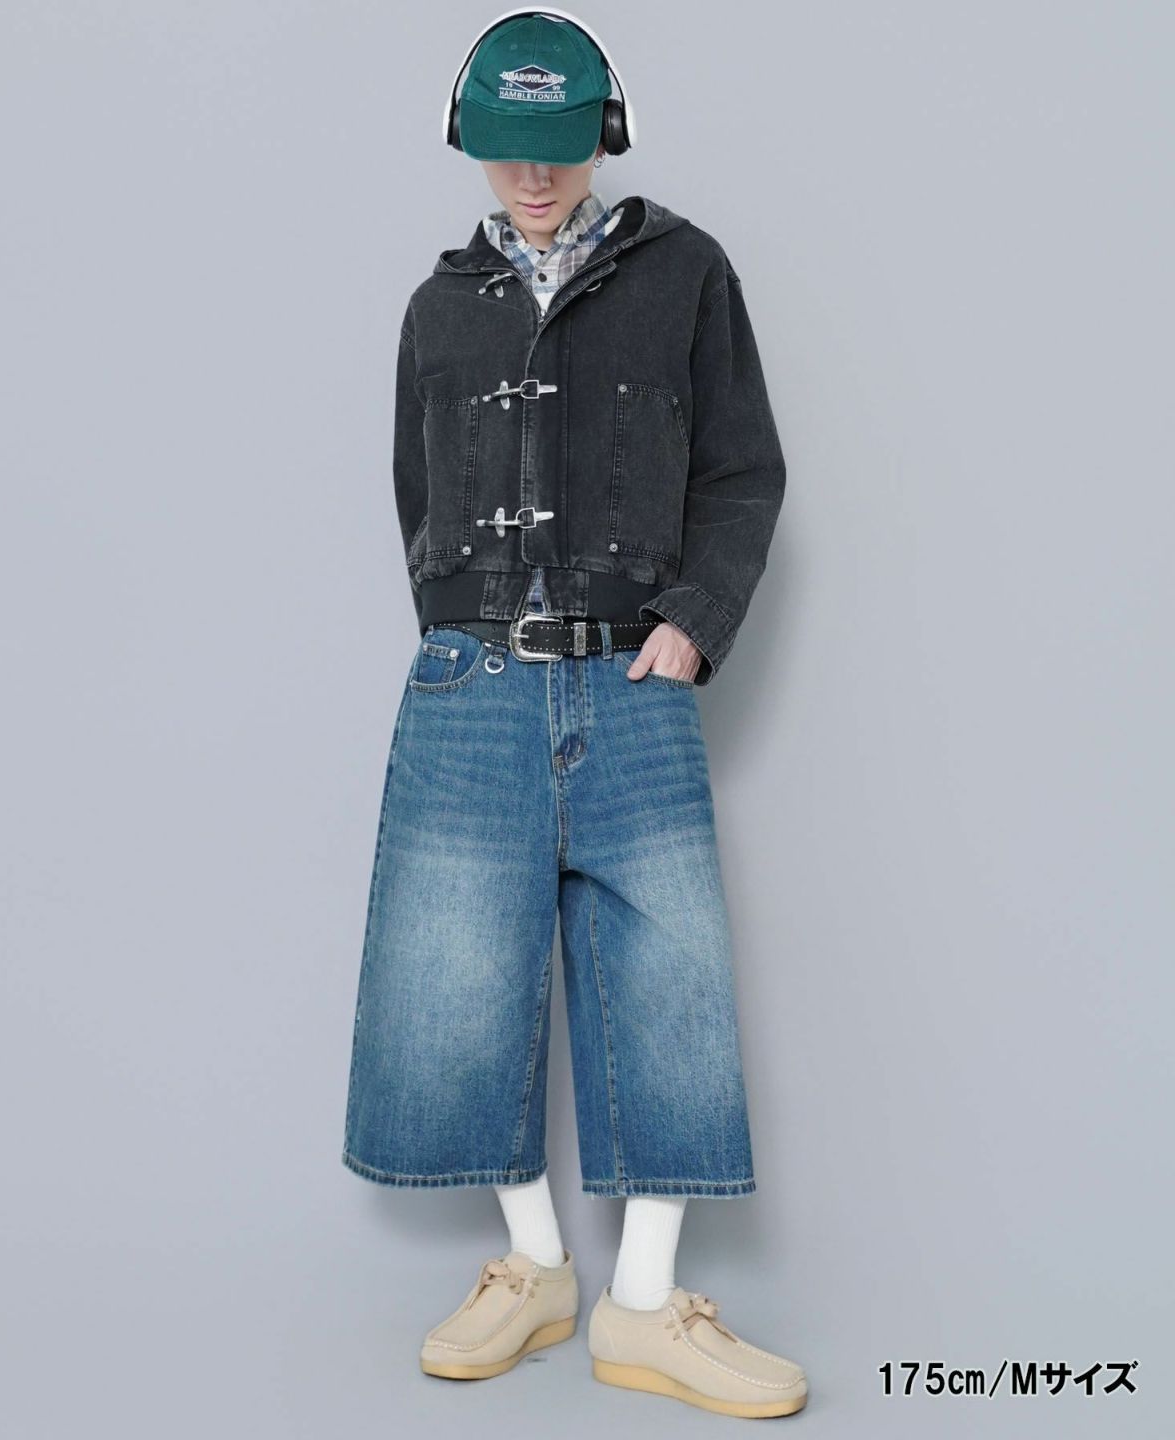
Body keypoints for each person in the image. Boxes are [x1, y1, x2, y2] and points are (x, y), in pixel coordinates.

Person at [341, 8, 808, 1420]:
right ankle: (536, 1267)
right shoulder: (438, 307)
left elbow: (743, 470)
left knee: (670, 983)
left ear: (605, 134)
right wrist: (462, 636)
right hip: (474, 681)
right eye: (505, 150)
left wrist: (693, 622)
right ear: (467, 140)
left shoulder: (686, 275)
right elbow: (418, 496)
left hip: (633, 678)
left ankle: (645, 1305)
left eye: (554, 148)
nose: (532, 179)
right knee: (453, 977)